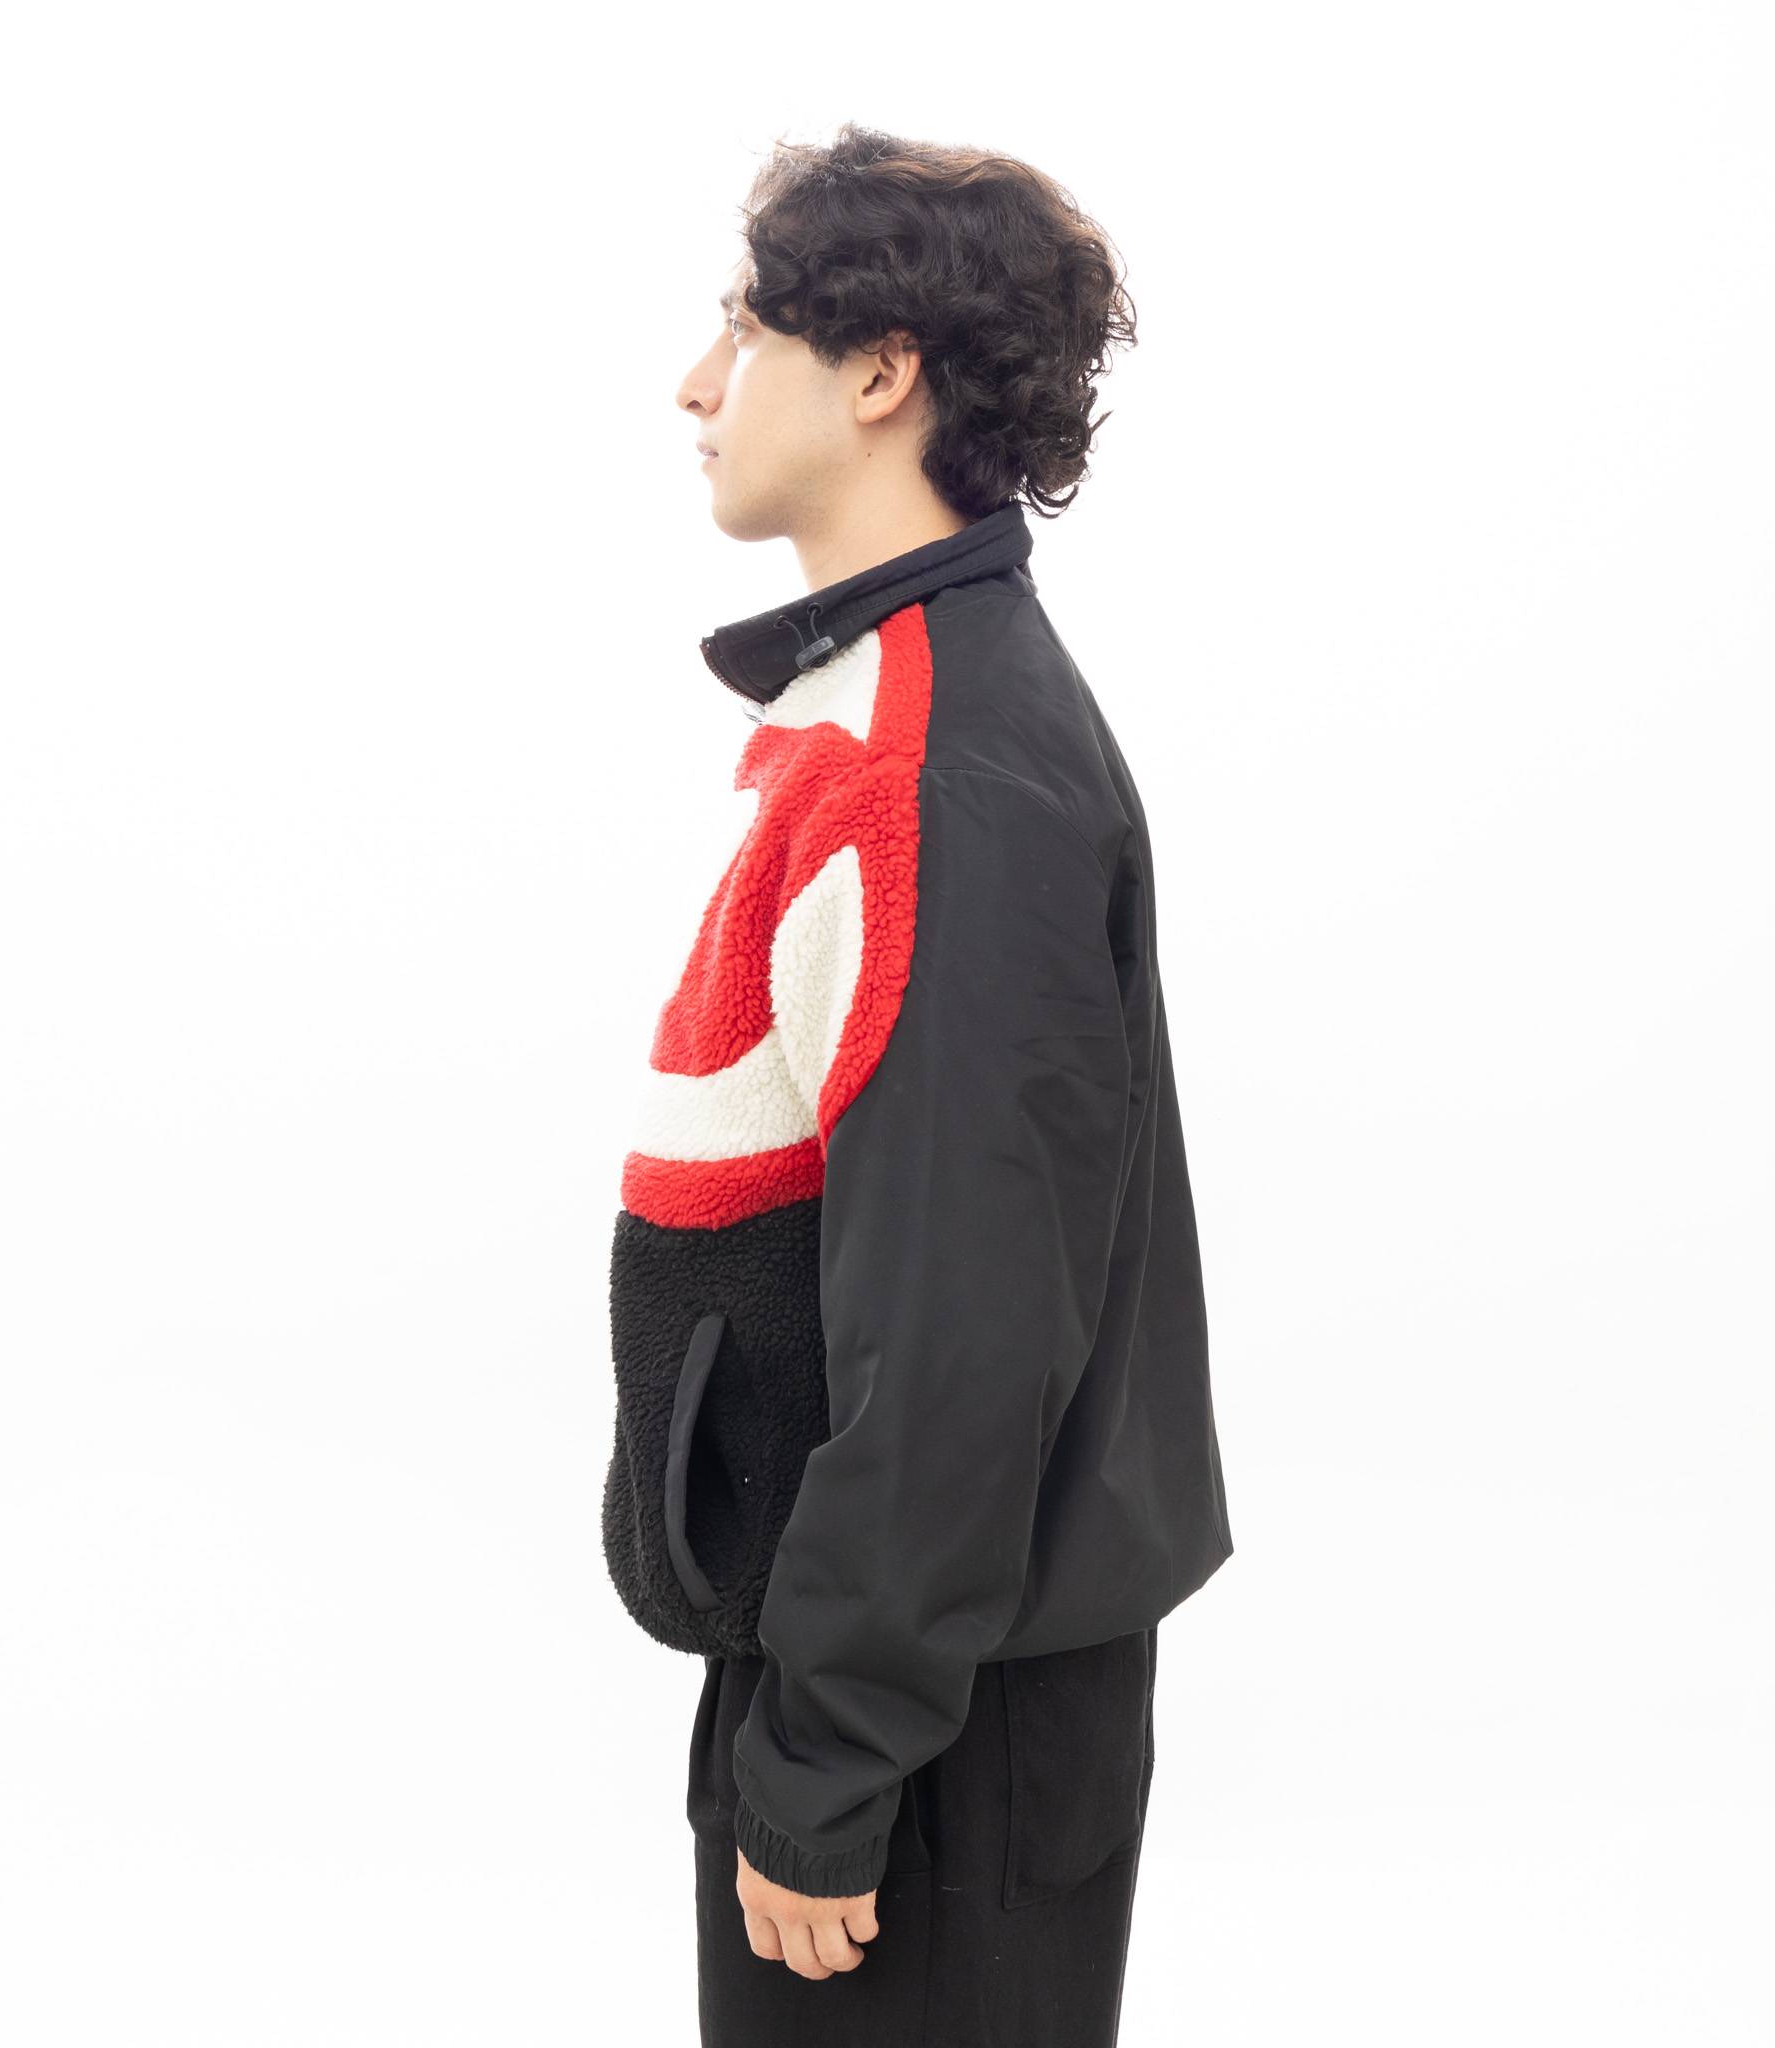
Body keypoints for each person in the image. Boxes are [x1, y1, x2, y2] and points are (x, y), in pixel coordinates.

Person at [599, 122, 1234, 2046]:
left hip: (927, 1720)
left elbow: (962, 1327)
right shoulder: (891, 704)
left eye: (743, 329)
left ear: (880, 371)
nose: (695, 384)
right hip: (882, 1661)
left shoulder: (941, 771)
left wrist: (826, 1762)